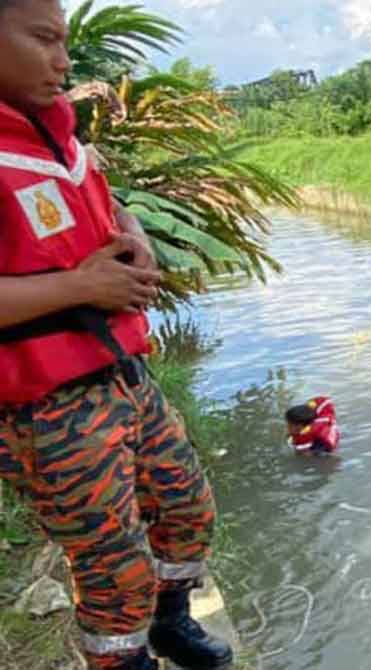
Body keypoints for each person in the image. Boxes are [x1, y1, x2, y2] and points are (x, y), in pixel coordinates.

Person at [0, 2, 231, 668]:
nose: (63, 60)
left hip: (123, 373)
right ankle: (124, 659)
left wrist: (132, 234)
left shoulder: (53, 134)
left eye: (63, 41)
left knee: (186, 506)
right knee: (110, 562)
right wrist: (78, 288)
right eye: (43, 39)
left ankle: (169, 622)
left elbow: (95, 201)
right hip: (49, 405)